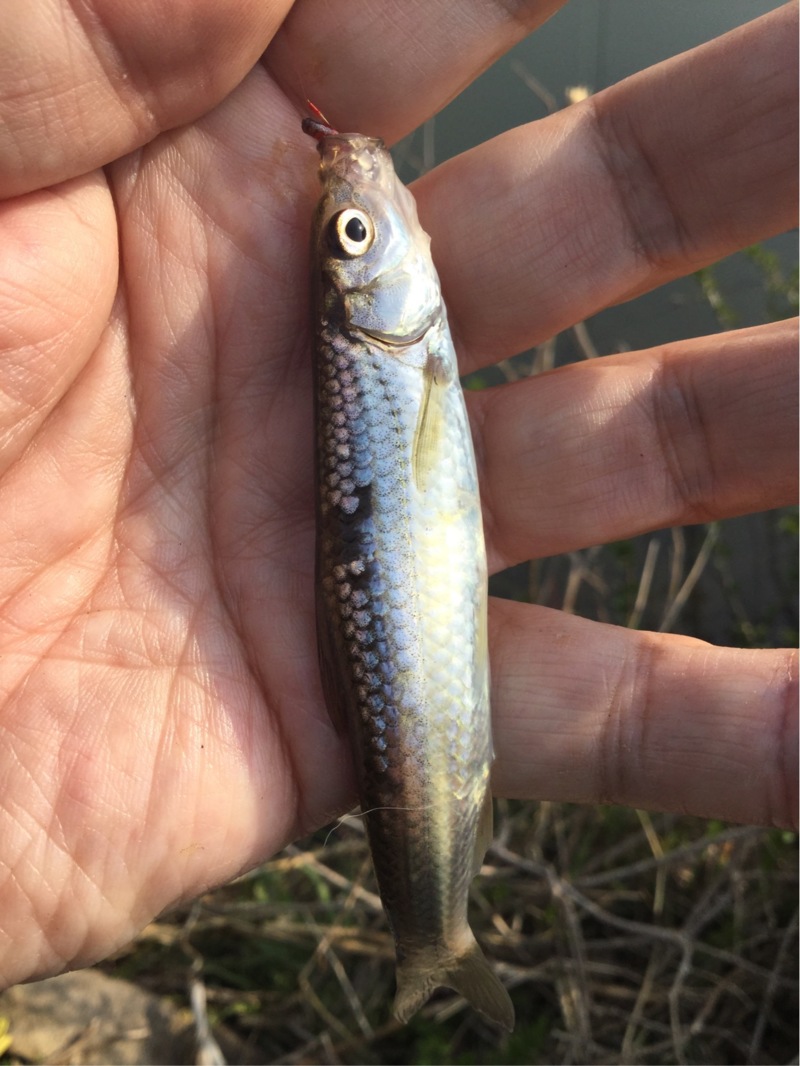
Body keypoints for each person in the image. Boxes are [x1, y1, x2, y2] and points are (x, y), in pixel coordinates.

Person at [0, 0, 796, 991]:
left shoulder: (381, 347)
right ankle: (435, 935)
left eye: (352, 229)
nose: (366, 209)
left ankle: (434, 935)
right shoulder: (388, 350)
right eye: (355, 231)